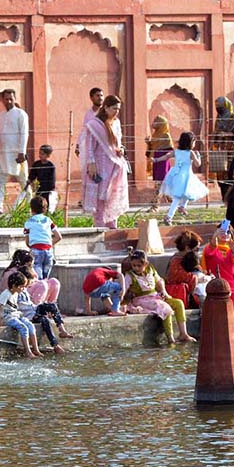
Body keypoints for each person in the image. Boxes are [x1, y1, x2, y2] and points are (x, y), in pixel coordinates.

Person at [123, 250, 196, 343]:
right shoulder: (130, 275)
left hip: (155, 297)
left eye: (139, 266)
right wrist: (120, 303)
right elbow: (124, 289)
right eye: (134, 265)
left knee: (178, 303)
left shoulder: (151, 269)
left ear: (145, 264)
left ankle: (183, 334)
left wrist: (164, 292)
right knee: (164, 308)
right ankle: (170, 338)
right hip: (141, 300)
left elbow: (159, 281)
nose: (136, 268)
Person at [80, 94, 130, 229]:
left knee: (112, 196)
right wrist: (91, 164)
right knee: (101, 198)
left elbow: (117, 143)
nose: (116, 112)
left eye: (118, 109)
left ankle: (112, 226)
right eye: (114, 108)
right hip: (100, 166)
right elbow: (89, 146)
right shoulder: (94, 125)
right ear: (106, 107)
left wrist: (120, 150)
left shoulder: (116, 123)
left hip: (114, 164)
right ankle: (100, 227)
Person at [155, 131, 209, 223]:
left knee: (187, 193)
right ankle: (169, 216)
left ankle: (182, 207)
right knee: (179, 197)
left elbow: (167, 156)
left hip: (176, 175)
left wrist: (156, 159)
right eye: (194, 142)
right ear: (190, 143)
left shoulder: (176, 152)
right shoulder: (191, 153)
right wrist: (199, 157)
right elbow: (198, 164)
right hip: (186, 177)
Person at [14, 266, 70, 354]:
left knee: (52, 306)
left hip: (33, 310)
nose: (32, 283)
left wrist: (38, 307)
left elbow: (30, 303)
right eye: (30, 280)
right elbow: (21, 307)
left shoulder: (24, 290)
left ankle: (61, 329)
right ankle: (55, 345)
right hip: (29, 315)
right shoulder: (16, 291)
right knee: (45, 320)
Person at [0, 89, 29, 215]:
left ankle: (31, 206)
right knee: (0, 180)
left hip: (17, 155)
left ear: (15, 99)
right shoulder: (1, 115)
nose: (8, 101)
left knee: (24, 181)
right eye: (6, 99)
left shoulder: (21, 114)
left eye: (11, 99)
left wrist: (22, 152)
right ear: (3, 100)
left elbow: (24, 133)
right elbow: (1, 132)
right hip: (3, 153)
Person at [0, 272, 43, 358]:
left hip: (15, 315)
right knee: (23, 327)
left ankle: (36, 349)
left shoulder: (16, 293)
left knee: (30, 325)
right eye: (22, 286)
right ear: (14, 286)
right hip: (7, 317)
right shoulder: (5, 294)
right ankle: (27, 351)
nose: (23, 289)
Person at [212, 96, 234, 198]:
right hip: (220, 150)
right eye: (217, 106)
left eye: (220, 106)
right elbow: (215, 133)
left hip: (231, 150)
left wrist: (227, 134)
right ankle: (224, 198)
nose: (218, 108)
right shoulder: (219, 118)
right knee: (220, 176)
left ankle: (231, 198)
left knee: (230, 175)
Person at [23, 196, 62, 279]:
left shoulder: (28, 222)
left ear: (31, 209)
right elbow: (58, 237)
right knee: (45, 279)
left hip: (35, 251)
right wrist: (48, 243)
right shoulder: (48, 220)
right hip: (48, 251)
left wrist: (32, 246)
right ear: (45, 208)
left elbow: (27, 242)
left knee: (38, 279)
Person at [165, 230, 203, 308]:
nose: (197, 252)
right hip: (180, 297)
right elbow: (185, 277)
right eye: (196, 249)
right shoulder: (176, 262)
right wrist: (197, 278)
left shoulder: (188, 258)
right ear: (187, 248)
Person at [144, 115, 174, 209]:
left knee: (159, 183)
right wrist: (148, 143)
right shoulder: (155, 135)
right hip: (155, 161)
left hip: (163, 163)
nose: (154, 123)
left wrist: (161, 156)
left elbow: (170, 151)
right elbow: (151, 149)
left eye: (157, 121)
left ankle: (155, 206)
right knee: (162, 183)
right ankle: (174, 202)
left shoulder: (166, 136)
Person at [26, 144, 58, 213]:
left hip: (47, 189)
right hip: (39, 188)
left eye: (42, 154)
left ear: (48, 155)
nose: (40, 155)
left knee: (47, 203)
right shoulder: (36, 164)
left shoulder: (51, 166)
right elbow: (32, 175)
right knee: (38, 203)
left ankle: (48, 214)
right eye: (39, 153)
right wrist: (30, 180)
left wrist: (52, 188)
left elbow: (52, 179)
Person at [75, 87, 104, 156]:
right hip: (93, 147)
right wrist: (78, 145)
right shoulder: (89, 114)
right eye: (97, 95)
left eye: (101, 95)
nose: (100, 98)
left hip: (105, 146)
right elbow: (84, 130)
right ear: (91, 98)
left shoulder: (106, 112)